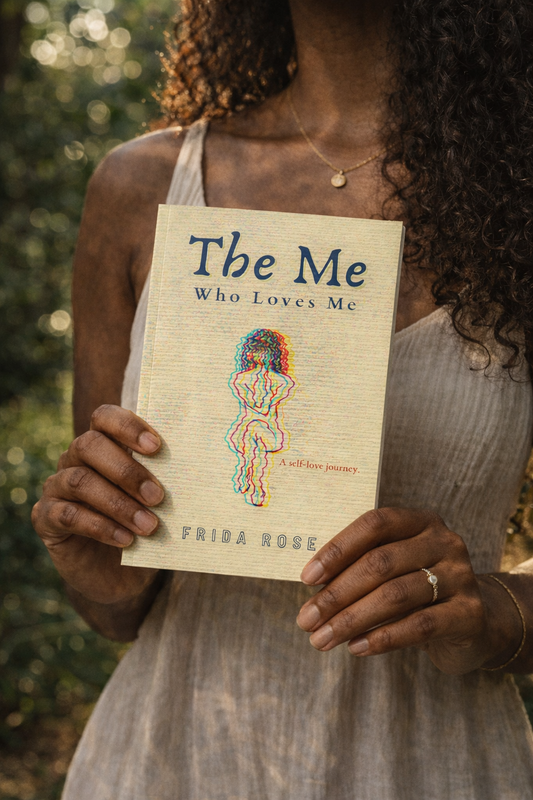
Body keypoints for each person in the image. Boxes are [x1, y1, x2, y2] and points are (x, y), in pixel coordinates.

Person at [31, 0, 533, 797]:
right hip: (171, 763)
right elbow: (117, 611)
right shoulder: (141, 187)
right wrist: (98, 554)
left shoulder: (516, 195)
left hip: (430, 767)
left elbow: (505, 607)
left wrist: (489, 611)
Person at [226, 328, 296, 507]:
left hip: (272, 436)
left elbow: (263, 408)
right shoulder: (240, 379)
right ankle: (256, 483)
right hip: (242, 437)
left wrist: (261, 392)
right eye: (256, 362)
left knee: (255, 428)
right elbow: (256, 406)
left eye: (265, 362)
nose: (261, 371)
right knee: (253, 429)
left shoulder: (283, 382)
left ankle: (245, 474)